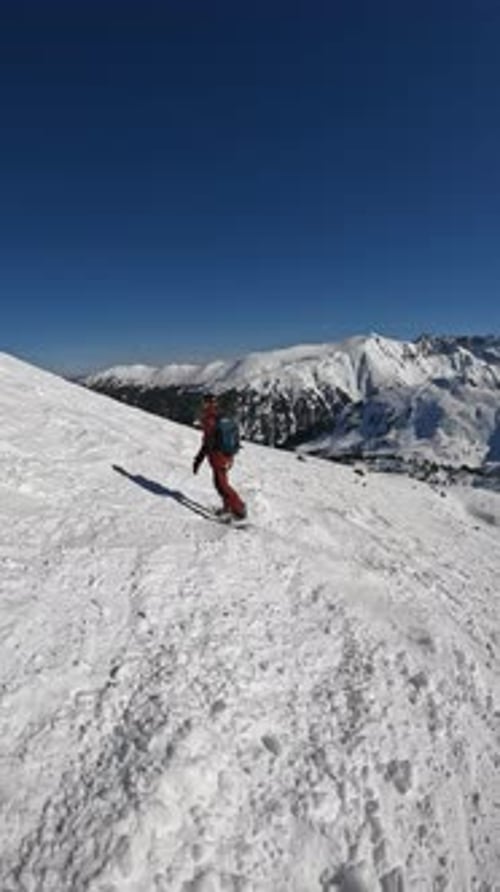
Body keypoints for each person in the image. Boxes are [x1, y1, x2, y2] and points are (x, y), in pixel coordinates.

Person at [192, 393, 247, 519]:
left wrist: (198, 460)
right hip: (227, 456)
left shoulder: (208, 419)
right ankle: (228, 508)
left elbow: (207, 442)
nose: (203, 405)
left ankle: (239, 509)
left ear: (206, 403)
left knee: (222, 486)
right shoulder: (220, 416)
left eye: (204, 402)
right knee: (222, 484)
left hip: (218, 457)